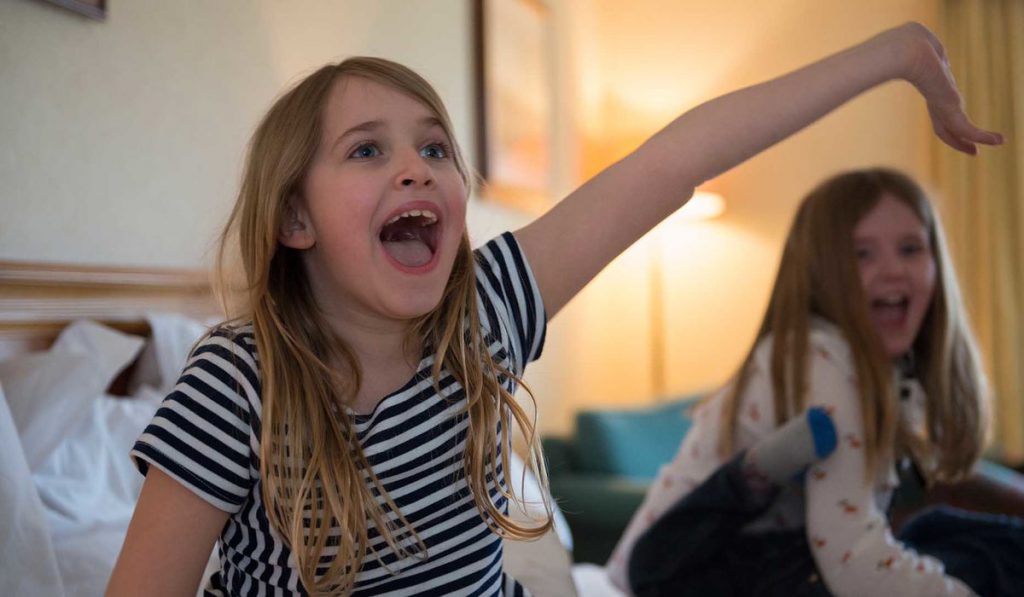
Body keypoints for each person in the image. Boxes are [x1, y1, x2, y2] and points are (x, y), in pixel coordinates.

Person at [106, 21, 1001, 596]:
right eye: (367, 150)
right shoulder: (238, 379)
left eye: (434, 146)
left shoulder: (484, 310)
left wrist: (894, 56)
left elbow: (675, 159)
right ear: (293, 216)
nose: (416, 166)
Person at [609, 168, 1024, 596]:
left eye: (910, 248)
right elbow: (852, 560)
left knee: (969, 542)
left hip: (770, 561)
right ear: (820, 275)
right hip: (677, 575)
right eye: (861, 254)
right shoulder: (820, 359)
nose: (893, 270)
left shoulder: (890, 375)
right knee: (983, 557)